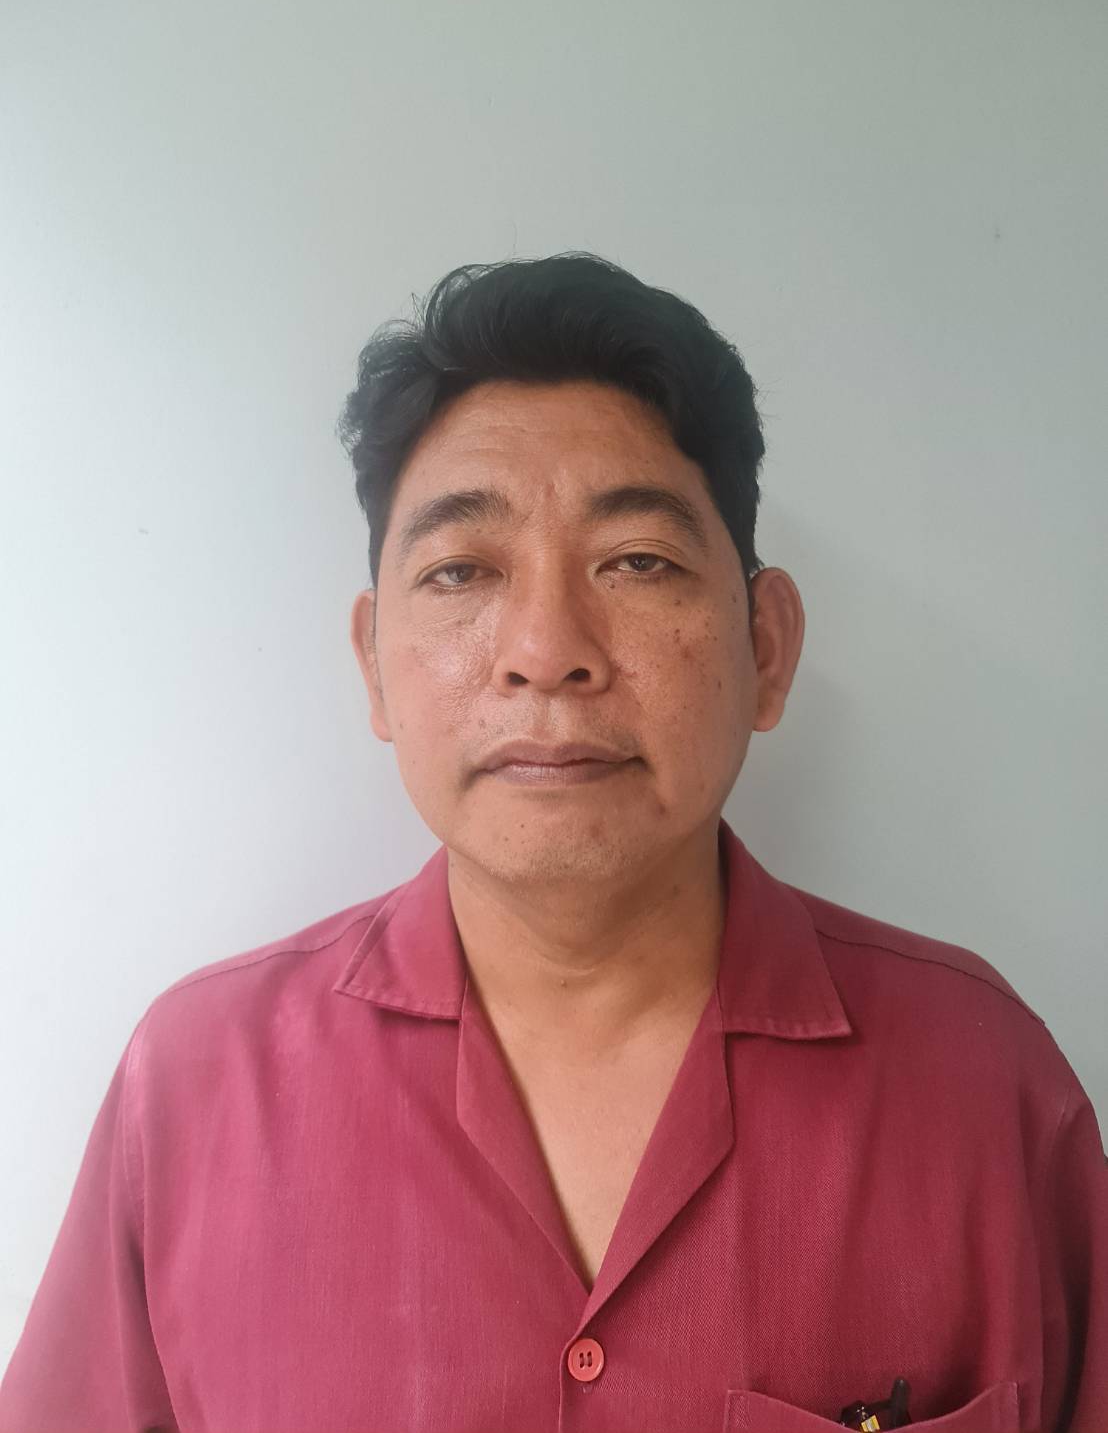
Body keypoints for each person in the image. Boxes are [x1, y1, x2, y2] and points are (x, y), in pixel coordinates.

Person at [1, 252, 1104, 1433]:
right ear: (374, 666)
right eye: (461, 570)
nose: (545, 650)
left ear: (766, 647)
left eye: (636, 561)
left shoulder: (982, 1083)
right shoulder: (194, 1091)